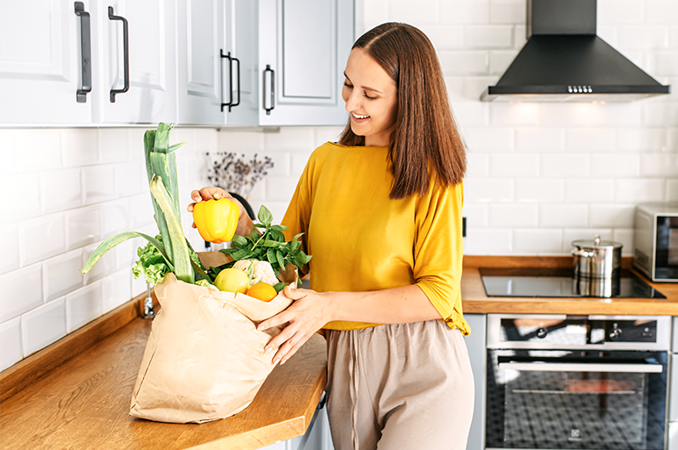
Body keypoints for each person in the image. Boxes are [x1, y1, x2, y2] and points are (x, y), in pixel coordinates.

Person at [189, 22, 473, 449]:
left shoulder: (435, 177)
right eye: (347, 84)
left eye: (370, 95)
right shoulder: (324, 163)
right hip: (344, 361)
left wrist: (327, 306)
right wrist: (237, 222)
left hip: (423, 367)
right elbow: (285, 263)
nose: (352, 103)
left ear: (410, 99)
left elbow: (437, 294)